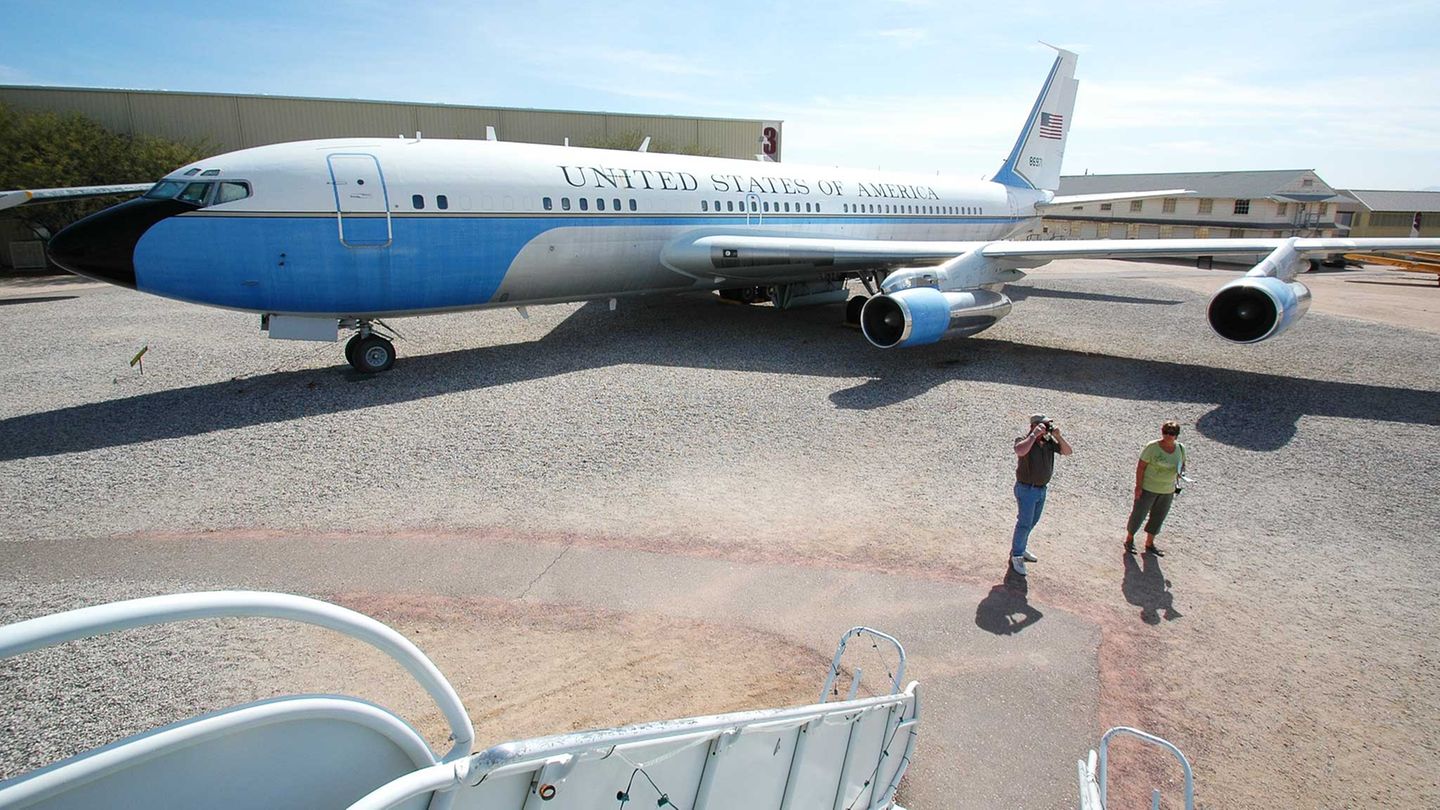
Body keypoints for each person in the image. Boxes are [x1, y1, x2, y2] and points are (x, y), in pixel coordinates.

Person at [1010, 413, 1072, 576]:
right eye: (1044, 425)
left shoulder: (1049, 442)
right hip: (1026, 489)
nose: (1047, 429)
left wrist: (1059, 437)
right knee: (1024, 522)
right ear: (1034, 426)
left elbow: (1067, 451)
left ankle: (1021, 548)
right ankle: (1016, 555)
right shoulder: (1024, 439)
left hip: (1040, 489)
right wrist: (1033, 435)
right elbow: (1020, 451)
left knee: (1032, 521)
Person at [1125, 420, 1187, 556]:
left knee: (1159, 517)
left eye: (1171, 433)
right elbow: (1141, 466)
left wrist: (1181, 473)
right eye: (1165, 432)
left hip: (1167, 490)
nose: (1168, 435)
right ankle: (1129, 539)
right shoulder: (1152, 447)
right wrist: (1138, 486)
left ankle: (1149, 542)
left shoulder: (1181, 448)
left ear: (1176, 435)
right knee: (1138, 515)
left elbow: (1182, 464)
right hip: (1149, 487)